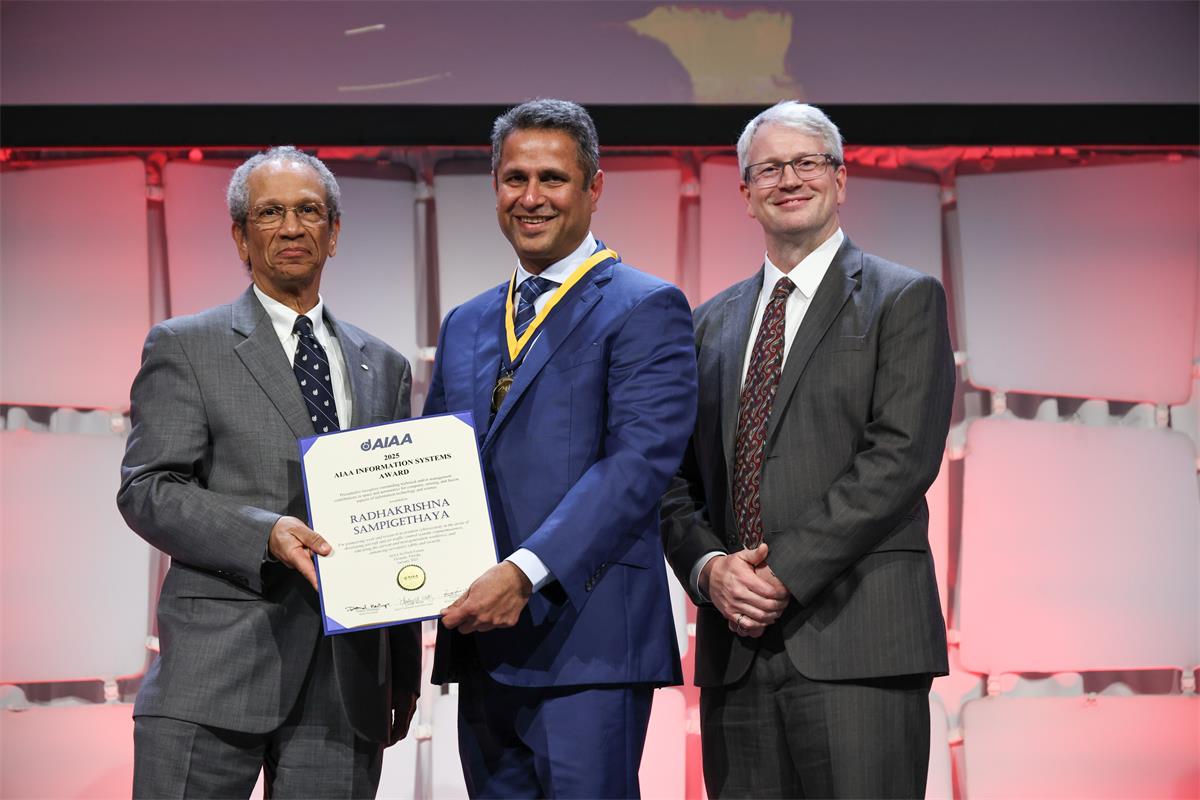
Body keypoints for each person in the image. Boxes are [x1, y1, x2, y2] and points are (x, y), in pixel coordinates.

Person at [661, 101, 954, 798]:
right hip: (737, 651)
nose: (789, 179)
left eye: (806, 163)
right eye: (769, 169)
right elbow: (671, 479)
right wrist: (709, 569)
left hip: (861, 644)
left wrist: (780, 574)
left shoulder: (904, 298)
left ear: (840, 179)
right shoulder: (705, 324)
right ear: (745, 193)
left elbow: (900, 458)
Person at [117, 146, 421, 798]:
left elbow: (396, 516)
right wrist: (265, 533)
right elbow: (147, 489)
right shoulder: (186, 345)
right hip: (214, 672)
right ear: (240, 237)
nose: (290, 228)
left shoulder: (385, 364)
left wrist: (400, 673)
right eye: (269, 213)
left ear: (333, 234)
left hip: (344, 687)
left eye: (308, 212)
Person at [423, 98, 697, 799]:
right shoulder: (466, 322)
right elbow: (433, 469)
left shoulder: (646, 305)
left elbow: (638, 465)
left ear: (594, 187)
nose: (531, 197)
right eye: (515, 178)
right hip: (482, 643)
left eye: (553, 178)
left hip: (589, 644)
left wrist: (522, 574)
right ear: (495, 187)